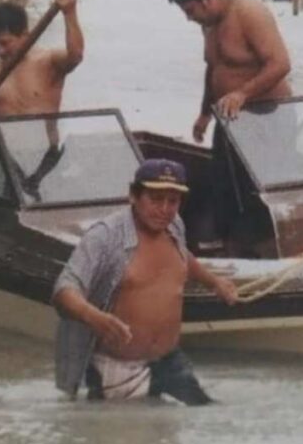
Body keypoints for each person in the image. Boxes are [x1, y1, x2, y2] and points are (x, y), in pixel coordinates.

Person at [52, 159, 238, 405]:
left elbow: (183, 257)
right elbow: (63, 289)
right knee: (114, 437)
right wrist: (94, 317)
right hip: (116, 369)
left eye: (173, 201)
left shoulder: (175, 225)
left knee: (205, 415)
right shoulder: (104, 236)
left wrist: (214, 282)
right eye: (155, 199)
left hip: (169, 360)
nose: (164, 209)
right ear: (133, 196)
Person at [167, 0, 292, 242]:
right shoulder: (208, 24)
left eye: (190, 11)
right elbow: (214, 69)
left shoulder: (250, 12)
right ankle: (227, 246)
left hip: (268, 116)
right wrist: (204, 114)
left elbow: (281, 63)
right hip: (229, 118)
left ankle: (262, 250)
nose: (189, 19)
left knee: (259, 193)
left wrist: (243, 93)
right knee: (223, 186)